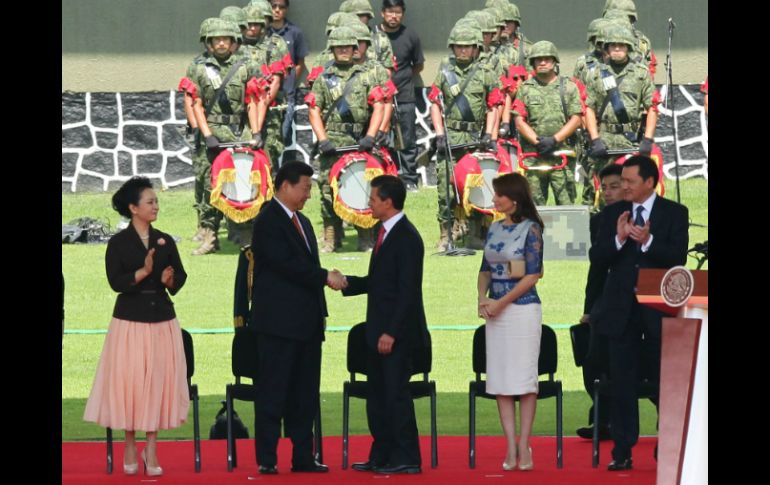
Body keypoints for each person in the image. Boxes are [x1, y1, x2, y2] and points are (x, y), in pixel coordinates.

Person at [83, 176, 189, 477]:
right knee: (129, 383)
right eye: (150, 202)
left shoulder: (165, 240)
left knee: (156, 383)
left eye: (156, 201)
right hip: (129, 321)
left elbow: (180, 277)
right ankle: (129, 444)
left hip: (162, 319)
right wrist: (143, 271)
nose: (156, 206)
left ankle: (151, 448)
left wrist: (170, 280)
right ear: (133, 208)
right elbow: (116, 281)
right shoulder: (118, 243)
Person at [590, 155, 689, 471]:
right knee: (622, 382)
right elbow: (597, 258)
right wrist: (618, 239)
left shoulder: (674, 213)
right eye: (623, 180)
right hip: (620, 312)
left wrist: (648, 241)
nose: (625, 186)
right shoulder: (612, 214)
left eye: (630, 181)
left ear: (649, 182)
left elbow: (678, 257)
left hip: (658, 312)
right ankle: (622, 449)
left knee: (665, 382)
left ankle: (668, 444)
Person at [249, 161, 347, 474]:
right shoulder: (268, 220)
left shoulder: (302, 222)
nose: (308, 194)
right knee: (273, 391)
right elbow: (285, 265)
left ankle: (304, 455)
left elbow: (305, 266)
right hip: (278, 325)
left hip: (306, 324)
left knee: (305, 394)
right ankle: (267, 458)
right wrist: (324, 276)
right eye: (304, 188)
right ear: (285, 186)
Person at [342, 175, 430, 475]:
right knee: (378, 397)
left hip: (396, 334)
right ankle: (382, 453)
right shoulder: (385, 233)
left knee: (395, 395)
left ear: (388, 201)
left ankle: (406, 456)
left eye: (373, 198)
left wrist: (391, 332)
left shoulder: (406, 237)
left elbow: (407, 292)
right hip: (377, 331)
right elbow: (380, 283)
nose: (369, 203)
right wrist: (347, 283)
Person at [477, 172, 544, 472]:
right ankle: (510, 444)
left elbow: (533, 273)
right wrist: (482, 298)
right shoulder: (493, 228)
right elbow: (485, 269)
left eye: (499, 195)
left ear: (514, 199)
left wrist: (501, 302)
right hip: (495, 311)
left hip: (522, 310)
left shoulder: (531, 229)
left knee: (524, 380)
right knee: (501, 380)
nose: (494, 199)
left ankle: (525, 443)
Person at [305, 26, 385, 253]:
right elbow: (314, 109)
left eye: (347, 47)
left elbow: (379, 106)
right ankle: (331, 237)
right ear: (332, 49)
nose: (343, 50)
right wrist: (323, 140)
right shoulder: (323, 78)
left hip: (359, 140)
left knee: (363, 188)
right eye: (339, 47)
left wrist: (370, 136)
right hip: (332, 141)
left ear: (354, 49)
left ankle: (365, 237)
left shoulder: (366, 76)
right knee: (327, 190)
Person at [185, 18, 261, 254]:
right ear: (209, 42)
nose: (220, 43)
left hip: (239, 133)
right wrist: (207, 135)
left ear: (233, 41)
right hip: (212, 133)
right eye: (216, 39)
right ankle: (210, 236)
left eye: (225, 39)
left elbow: (252, 101)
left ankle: (245, 234)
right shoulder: (198, 68)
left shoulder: (246, 66)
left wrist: (256, 131)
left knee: (243, 184)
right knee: (210, 186)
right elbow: (195, 103)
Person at [428, 24, 504, 250]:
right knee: (445, 189)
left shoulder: (486, 72)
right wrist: (439, 134)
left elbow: (493, 105)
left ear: (476, 48)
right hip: (450, 137)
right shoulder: (445, 72)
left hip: (475, 138)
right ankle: (446, 233)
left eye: (467, 46)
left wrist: (489, 134)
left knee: (477, 186)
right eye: (458, 46)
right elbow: (435, 103)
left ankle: (475, 232)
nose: (462, 50)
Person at [584, 24, 659, 209]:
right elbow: (589, 108)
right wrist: (595, 139)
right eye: (613, 45)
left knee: (634, 191)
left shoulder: (641, 73)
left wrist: (648, 139)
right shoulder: (596, 74)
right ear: (607, 49)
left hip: (631, 139)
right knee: (605, 193)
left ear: (628, 47)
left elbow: (652, 107)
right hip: (605, 138)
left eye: (621, 45)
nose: (617, 49)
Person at [576, 163, 623, 440]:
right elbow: (597, 268)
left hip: (637, 299)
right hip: (604, 299)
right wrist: (588, 309)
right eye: (604, 187)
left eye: (614, 186)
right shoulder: (599, 221)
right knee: (593, 361)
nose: (607, 192)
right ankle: (601, 419)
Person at [511, 40, 583, 206]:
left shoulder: (569, 87)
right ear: (533, 62)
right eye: (538, 59)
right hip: (534, 155)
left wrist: (554, 140)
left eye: (547, 59)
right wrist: (538, 142)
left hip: (561, 154)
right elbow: (519, 120)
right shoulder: (525, 88)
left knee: (566, 204)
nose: (542, 62)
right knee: (534, 205)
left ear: (554, 61)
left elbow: (576, 119)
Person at [379, 0, 424, 191]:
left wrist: (402, 78)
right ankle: (383, 176)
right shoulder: (374, 36)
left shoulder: (410, 35)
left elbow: (418, 65)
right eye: (390, 12)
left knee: (407, 140)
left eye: (397, 12)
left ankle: (410, 179)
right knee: (380, 138)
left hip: (404, 95)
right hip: (378, 98)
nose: (393, 16)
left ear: (402, 14)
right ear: (382, 13)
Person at [268, 0, 310, 148]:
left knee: (282, 138)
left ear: (286, 9)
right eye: (273, 6)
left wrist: (290, 81)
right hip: (264, 95)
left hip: (286, 96)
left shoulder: (295, 32)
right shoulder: (263, 32)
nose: (277, 10)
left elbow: (300, 63)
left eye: (281, 7)